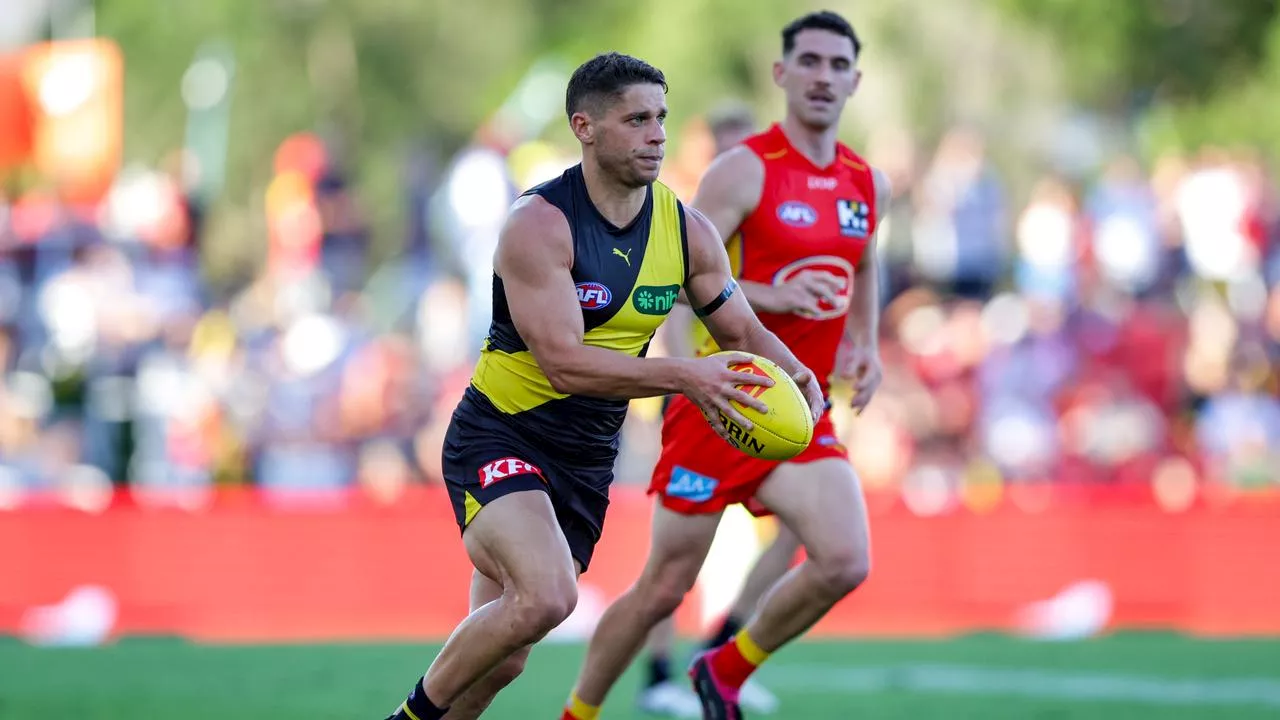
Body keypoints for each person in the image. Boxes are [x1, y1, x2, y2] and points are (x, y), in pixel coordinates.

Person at [381, 51, 823, 720]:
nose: (657, 135)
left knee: (503, 658)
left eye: (662, 119)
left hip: (584, 457)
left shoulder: (685, 229)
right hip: (503, 432)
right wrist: (685, 377)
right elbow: (564, 363)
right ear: (585, 127)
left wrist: (795, 371)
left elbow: (740, 329)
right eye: (637, 119)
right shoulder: (538, 225)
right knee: (548, 597)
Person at [562, 12, 888, 720]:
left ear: (855, 80)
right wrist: (772, 297)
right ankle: (579, 711)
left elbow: (866, 262)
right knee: (663, 586)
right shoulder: (744, 170)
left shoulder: (868, 181)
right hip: (723, 396)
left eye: (838, 65)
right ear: (781, 74)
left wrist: (866, 340)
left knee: (845, 559)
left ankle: (725, 670)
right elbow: (680, 271)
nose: (823, 77)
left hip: (798, 404)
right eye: (809, 62)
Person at [636, 103, 797, 719]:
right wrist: (686, 387)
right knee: (677, 554)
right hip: (700, 391)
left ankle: (723, 651)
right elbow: (681, 300)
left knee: (799, 531)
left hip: (756, 395)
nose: (736, 159)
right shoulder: (689, 219)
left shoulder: (765, 217)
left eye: (743, 147)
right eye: (725, 147)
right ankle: (656, 676)